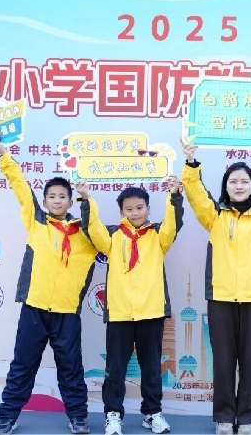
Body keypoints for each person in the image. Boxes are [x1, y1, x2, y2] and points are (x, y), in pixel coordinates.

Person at [180, 139, 251, 435]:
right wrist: (191, 164)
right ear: (226, 186)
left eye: (244, 181)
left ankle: (246, 419)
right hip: (220, 298)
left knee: (248, 362)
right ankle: (223, 417)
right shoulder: (215, 215)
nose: (239, 186)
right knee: (222, 361)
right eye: (233, 181)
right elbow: (196, 194)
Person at [0, 130, 96, 435]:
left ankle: (78, 416)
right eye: (52, 196)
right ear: (46, 200)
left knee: (71, 368)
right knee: (23, 365)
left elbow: (102, 231)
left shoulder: (86, 232)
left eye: (63, 196)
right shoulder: (37, 222)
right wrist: (3, 154)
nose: (57, 200)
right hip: (34, 308)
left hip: (67, 312)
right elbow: (21, 188)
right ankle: (8, 416)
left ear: (71, 200)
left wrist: (88, 201)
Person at [86, 179, 184, 435]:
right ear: (121, 212)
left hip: (151, 313)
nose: (135, 213)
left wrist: (173, 195)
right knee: (115, 370)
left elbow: (173, 223)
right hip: (120, 314)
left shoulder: (158, 236)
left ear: (148, 209)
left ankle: (152, 413)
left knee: (151, 368)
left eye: (140, 207)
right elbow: (94, 230)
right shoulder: (112, 236)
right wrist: (87, 200)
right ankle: (113, 414)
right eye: (129, 209)